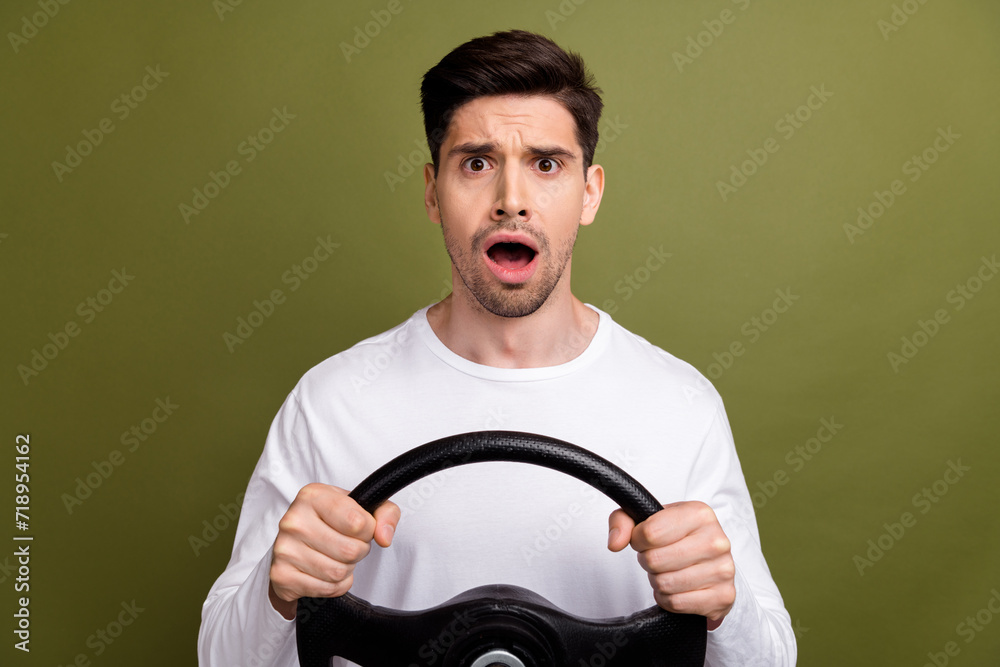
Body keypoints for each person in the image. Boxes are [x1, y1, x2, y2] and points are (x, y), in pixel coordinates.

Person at [198, 29, 796, 666]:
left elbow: (771, 660)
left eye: (546, 164)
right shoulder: (330, 402)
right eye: (477, 163)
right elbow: (221, 659)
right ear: (433, 191)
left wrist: (722, 609)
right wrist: (277, 590)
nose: (512, 201)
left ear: (590, 191)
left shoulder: (682, 407)